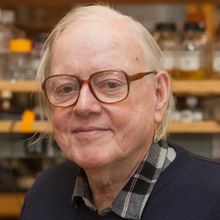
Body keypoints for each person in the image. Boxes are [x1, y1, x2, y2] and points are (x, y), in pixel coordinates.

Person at [20, 4, 220, 220]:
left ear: (159, 95)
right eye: (66, 88)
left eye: (110, 84)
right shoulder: (44, 194)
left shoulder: (212, 199)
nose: (84, 106)